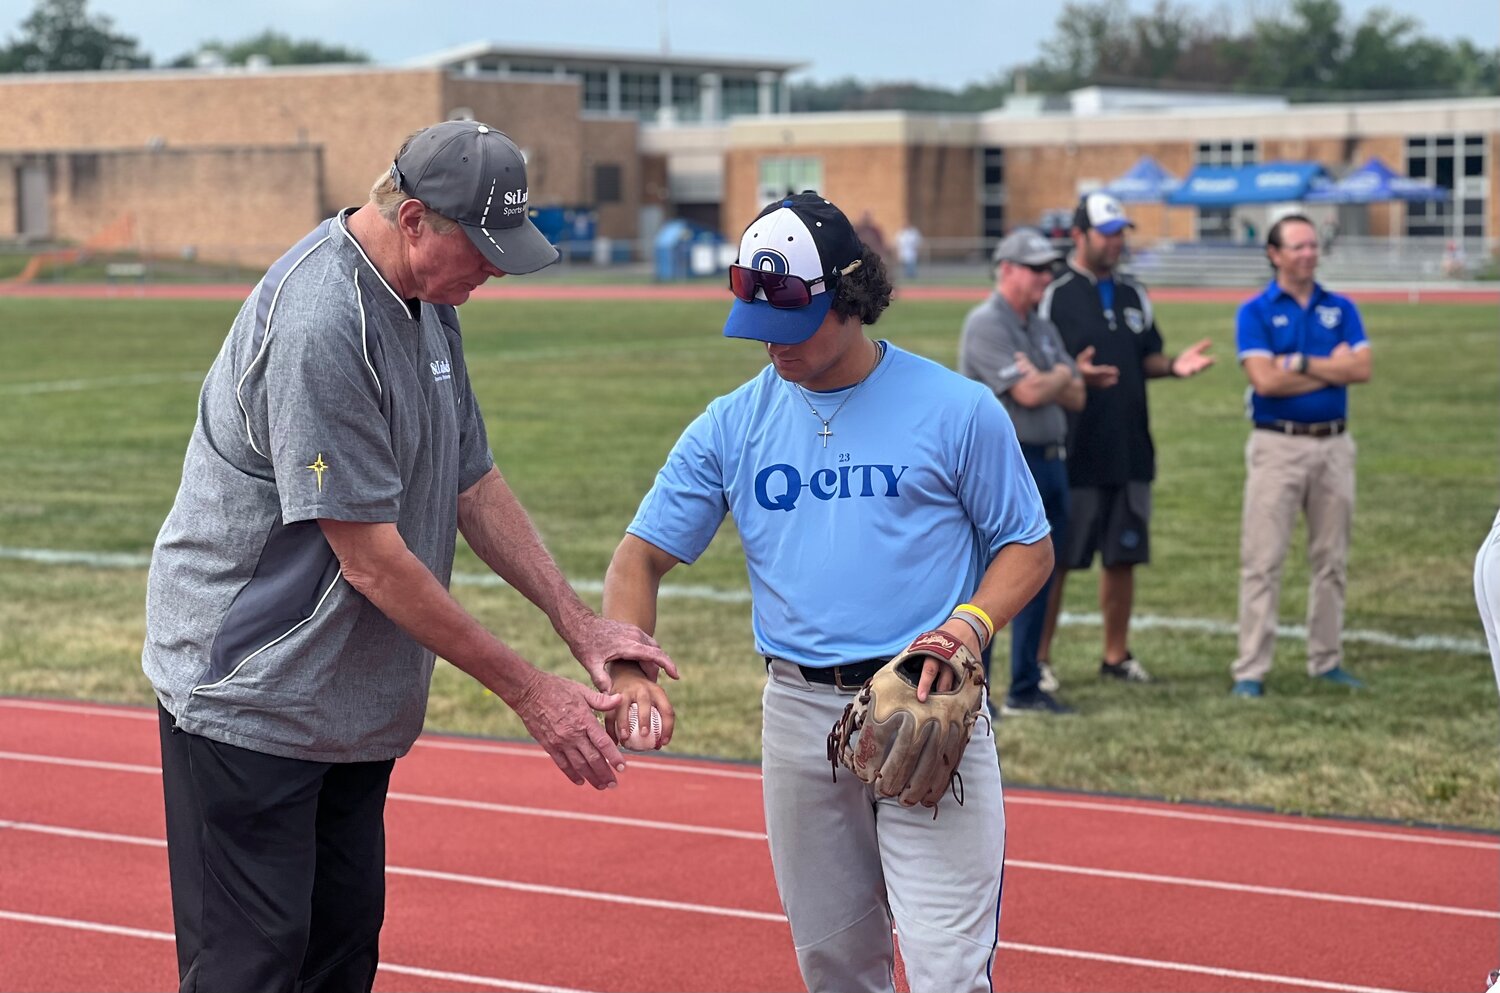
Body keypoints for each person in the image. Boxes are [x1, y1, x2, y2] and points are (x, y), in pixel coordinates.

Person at [142, 120, 676, 993]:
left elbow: (473, 481)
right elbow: (373, 561)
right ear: (416, 217)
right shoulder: (322, 322)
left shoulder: (430, 301)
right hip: (253, 695)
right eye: (484, 248)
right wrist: (534, 693)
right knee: (251, 970)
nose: (496, 270)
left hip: (348, 707)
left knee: (341, 958)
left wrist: (580, 625)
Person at [602, 191, 1053, 992]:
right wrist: (629, 663)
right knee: (835, 967)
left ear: (850, 298)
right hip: (799, 716)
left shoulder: (956, 408)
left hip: (928, 694)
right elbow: (637, 559)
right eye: (757, 326)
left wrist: (970, 626)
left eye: (791, 324)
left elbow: (1028, 545)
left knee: (949, 971)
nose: (773, 348)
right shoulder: (730, 424)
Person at [1037, 192, 1214, 685]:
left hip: (1131, 447)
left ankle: (1116, 656)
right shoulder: (1057, 293)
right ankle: (1039, 659)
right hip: (1076, 450)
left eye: (1121, 233)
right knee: (1059, 561)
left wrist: (1174, 367)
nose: (1117, 243)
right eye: (1107, 233)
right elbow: (1041, 365)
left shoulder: (1136, 293)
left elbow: (1147, 356)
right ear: (1080, 235)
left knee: (1124, 556)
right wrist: (1075, 374)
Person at [959, 227, 1104, 716]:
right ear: (1007, 270)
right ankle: (982, 689)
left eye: (1049, 269)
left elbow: (1076, 393)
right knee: (996, 578)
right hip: (1008, 462)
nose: (1047, 277)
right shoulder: (986, 324)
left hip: (1051, 460)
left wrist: (1056, 377)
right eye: (1037, 268)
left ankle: (1025, 684)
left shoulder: (1041, 328)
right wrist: (1060, 377)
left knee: (1040, 572)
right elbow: (1029, 395)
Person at [1229, 213, 1371, 696]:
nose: (1309, 254)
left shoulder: (1341, 306)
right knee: (1263, 561)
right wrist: (1336, 368)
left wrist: (1306, 364)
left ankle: (1325, 659)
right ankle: (1251, 668)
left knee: (1331, 560)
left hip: (1334, 445)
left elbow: (1364, 367)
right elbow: (1265, 380)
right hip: (1278, 445)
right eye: (1298, 247)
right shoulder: (1256, 311)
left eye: (1313, 245)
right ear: (1275, 254)